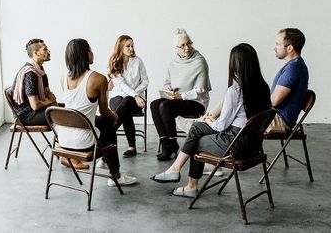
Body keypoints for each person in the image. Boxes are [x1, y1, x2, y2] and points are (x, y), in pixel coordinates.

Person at [150, 43, 271, 198]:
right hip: (253, 144)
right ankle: (175, 171)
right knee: (197, 129)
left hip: (235, 144)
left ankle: (188, 184)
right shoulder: (263, 87)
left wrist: (210, 121)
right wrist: (210, 120)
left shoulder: (236, 90)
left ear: (235, 64)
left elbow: (221, 126)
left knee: (195, 140)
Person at [55, 38, 137, 186]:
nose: (93, 53)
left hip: (63, 139)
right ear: (85, 54)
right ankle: (115, 175)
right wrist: (115, 116)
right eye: (90, 50)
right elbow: (105, 111)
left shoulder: (63, 78)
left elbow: (76, 107)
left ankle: (106, 161)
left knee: (102, 122)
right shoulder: (98, 79)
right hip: (83, 141)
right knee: (108, 122)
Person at [150, 28, 211, 161]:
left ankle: (172, 142)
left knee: (166, 106)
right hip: (177, 100)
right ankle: (167, 144)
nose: (187, 48)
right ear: (175, 48)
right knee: (154, 105)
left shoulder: (199, 61)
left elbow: (201, 90)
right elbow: (167, 82)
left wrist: (181, 96)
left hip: (196, 102)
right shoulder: (173, 63)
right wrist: (168, 89)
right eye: (182, 45)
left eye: (189, 43)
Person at [108, 35, 149, 158]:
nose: (131, 48)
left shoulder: (138, 61)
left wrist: (135, 94)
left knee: (126, 103)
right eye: (128, 46)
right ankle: (132, 147)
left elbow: (145, 81)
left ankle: (108, 132)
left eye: (132, 45)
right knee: (125, 105)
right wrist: (135, 95)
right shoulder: (114, 62)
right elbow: (120, 84)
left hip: (134, 101)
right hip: (117, 97)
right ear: (120, 47)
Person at [265, 28, 309, 133]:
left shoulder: (294, 68)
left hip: (279, 120)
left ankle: (219, 130)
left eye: (278, 44)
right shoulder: (294, 65)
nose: (274, 48)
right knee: (237, 95)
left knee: (238, 106)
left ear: (289, 48)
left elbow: (274, 101)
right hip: (274, 116)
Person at [12, 38, 58, 126]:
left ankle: (65, 138)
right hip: (25, 115)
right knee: (64, 115)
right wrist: (50, 101)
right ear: (36, 53)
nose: (48, 52)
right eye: (45, 49)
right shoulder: (30, 73)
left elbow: (48, 94)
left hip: (36, 111)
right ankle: (65, 139)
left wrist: (52, 101)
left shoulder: (40, 71)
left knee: (67, 109)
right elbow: (35, 105)